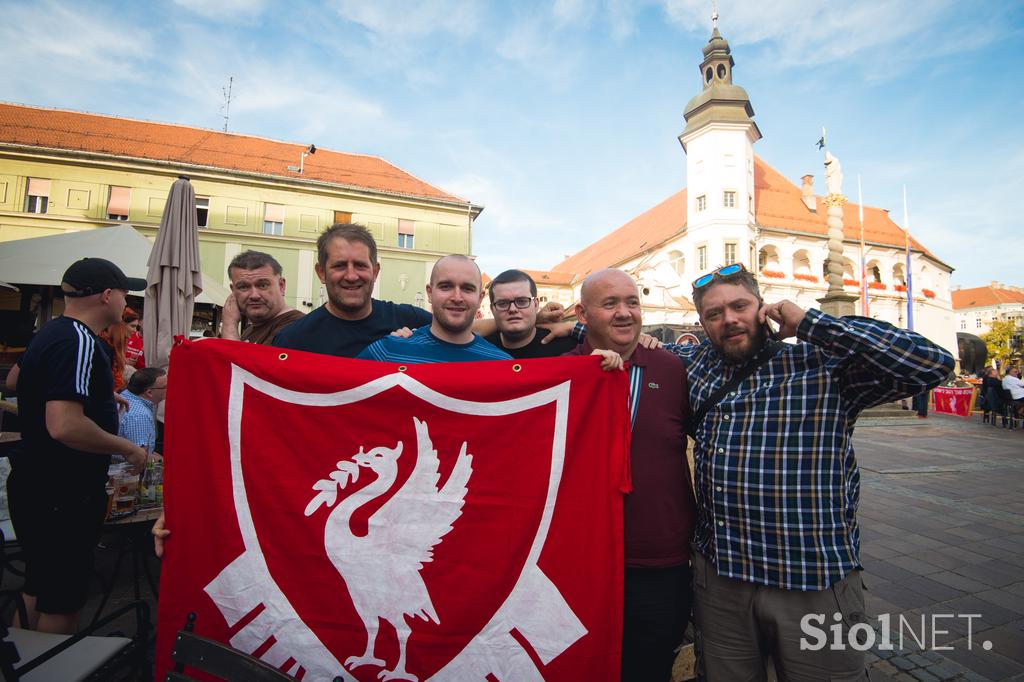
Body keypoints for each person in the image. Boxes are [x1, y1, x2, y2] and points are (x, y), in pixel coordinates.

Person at [664, 264, 954, 681]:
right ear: (702, 323)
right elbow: (628, 343)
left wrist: (812, 324)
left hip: (811, 579)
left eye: (739, 306)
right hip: (723, 581)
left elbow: (932, 363)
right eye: (714, 314)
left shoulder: (821, 363)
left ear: (763, 308)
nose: (729, 319)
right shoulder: (694, 368)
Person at [564, 269, 694, 682]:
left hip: (659, 561)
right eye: (610, 304)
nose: (625, 313)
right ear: (583, 314)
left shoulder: (672, 368)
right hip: (581, 560)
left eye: (632, 302)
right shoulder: (559, 373)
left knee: (650, 668)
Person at [9, 257, 149, 634]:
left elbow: (13, 381)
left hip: (33, 480)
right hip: (63, 489)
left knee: (39, 584)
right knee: (63, 597)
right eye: (124, 293)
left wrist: (99, 397)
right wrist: (127, 447)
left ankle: (21, 663)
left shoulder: (51, 332)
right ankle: (51, 668)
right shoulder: (81, 341)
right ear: (107, 295)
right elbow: (65, 425)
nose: (126, 301)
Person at [273, 224, 433, 357]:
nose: (351, 276)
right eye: (340, 265)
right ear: (321, 272)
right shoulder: (291, 342)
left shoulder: (414, 321)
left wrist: (418, 345)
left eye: (360, 265)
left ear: (375, 272)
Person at [358, 255, 512, 363]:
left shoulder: (501, 364)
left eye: (467, 288)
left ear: (480, 298)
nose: (457, 297)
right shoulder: (388, 351)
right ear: (430, 293)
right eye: (446, 286)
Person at [484, 269, 577, 359]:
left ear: (536, 304)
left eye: (522, 301)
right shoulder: (481, 351)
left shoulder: (569, 348)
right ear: (492, 309)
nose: (513, 309)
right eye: (502, 303)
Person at [220, 251, 304, 346]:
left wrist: (229, 326)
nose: (254, 295)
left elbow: (235, 361)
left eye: (262, 285)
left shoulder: (296, 327)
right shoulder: (251, 329)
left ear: (281, 286)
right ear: (233, 291)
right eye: (243, 287)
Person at [118, 367, 168, 455]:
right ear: (149, 393)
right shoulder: (139, 416)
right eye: (166, 387)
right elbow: (140, 457)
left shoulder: (126, 395)